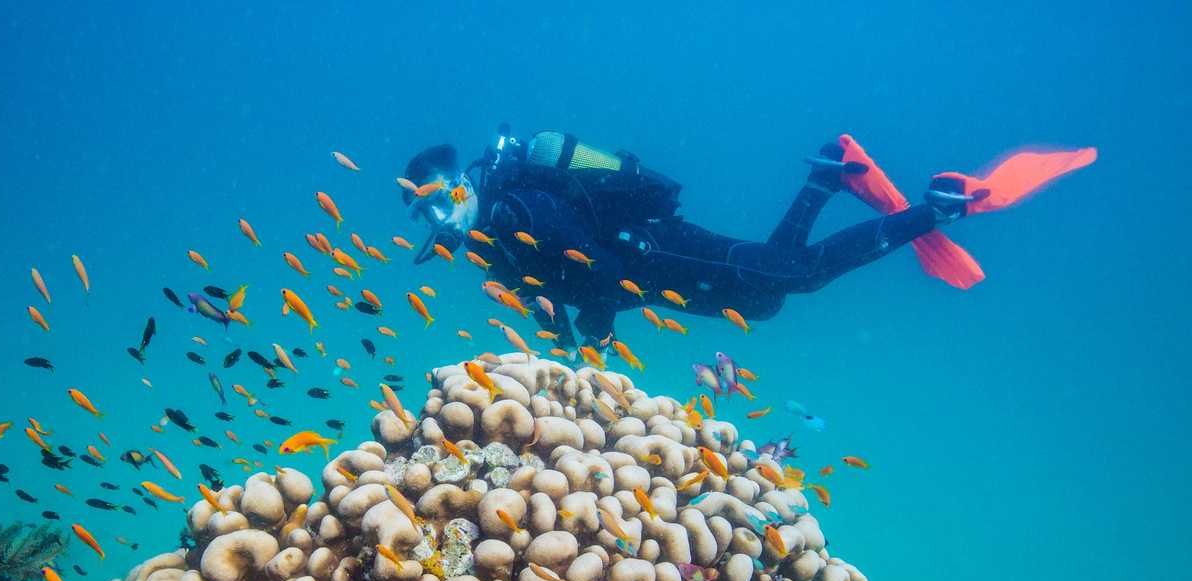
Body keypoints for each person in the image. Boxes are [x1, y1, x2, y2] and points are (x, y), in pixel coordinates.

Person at [403, 127, 1095, 346]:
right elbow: (571, 274)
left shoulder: (512, 215)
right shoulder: (497, 236)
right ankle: (825, 175)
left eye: (437, 204)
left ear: (459, 184)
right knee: (767, 298)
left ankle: (937, 209)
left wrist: (594, 322)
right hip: (660, 267)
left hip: (658, 255)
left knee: (798, 275)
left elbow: (600, 270)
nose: (437, 223)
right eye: (423, 216)